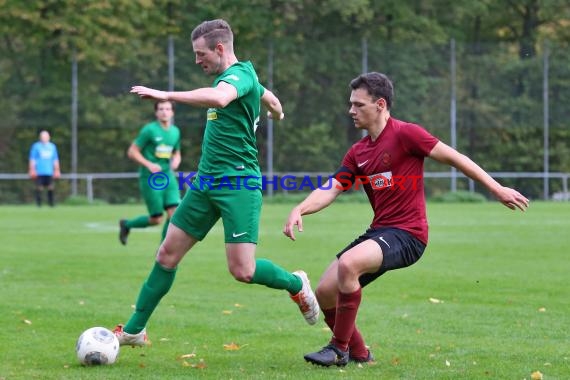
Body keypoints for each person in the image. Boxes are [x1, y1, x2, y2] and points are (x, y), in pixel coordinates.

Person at [283, 72, 530, 367]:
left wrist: (496, 188)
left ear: (380, 105)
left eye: (358, 105)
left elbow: (455, 157)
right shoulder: (358, 152)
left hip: (409, 234)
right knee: (324, 292)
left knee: (349, 264)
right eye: (351, 104)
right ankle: (360, 354)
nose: (351, 110)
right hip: (380, 232)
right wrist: (300, 208)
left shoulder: (406, 134)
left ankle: (338, 350)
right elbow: (333, 188)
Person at [113, 19, 319, 348]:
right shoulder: (247, 76)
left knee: (243, 270)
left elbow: (220, 99)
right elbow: (272, 99)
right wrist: (276, 113)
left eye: (200, 54)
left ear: (220, 49)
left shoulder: (235, 78)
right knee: (166, 254)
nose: (197, 61)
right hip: (205, 183)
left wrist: (166, 94)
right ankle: (135, 330)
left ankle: (296, 282)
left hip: (238, 184)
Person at [119, 100, 182, 245]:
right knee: (156, 219)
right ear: (156, 112)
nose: (164, 112)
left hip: (168, 176)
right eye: (161, 109)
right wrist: (149, 164)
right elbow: (132, 152)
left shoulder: (175, 131)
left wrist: (176, 160)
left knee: (175, 213)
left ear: (172, 112)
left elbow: (176, 152)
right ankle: (126, 225)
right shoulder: (149, 130)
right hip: (151, 178)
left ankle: (163, 249)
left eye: (167, 109)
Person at [28, 130, 61, 207]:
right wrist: (32, 169)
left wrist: (57, 170)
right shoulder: (36, 146)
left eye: (45, 137)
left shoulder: (52, 147)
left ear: (49, 137)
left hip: (49, 171)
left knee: (51, 187)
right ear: (40, 138)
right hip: (39, 171)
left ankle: (51, 204)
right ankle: (38, 204)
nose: (44, 138)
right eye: (42, 137)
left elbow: (55, 159)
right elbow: (32, 159)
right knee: (39, 187)